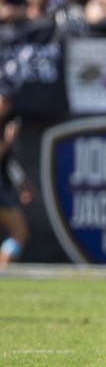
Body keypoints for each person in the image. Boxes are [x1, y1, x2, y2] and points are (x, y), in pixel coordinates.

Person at [0, 90, 32, 267]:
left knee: (19, 232)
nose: (5, 106)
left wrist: (22, 185)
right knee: (19, 231)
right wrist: (7, 141)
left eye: (8, 102)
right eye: (3, 101)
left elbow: (10, 164)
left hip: (4, 186)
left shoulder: (5, 124)